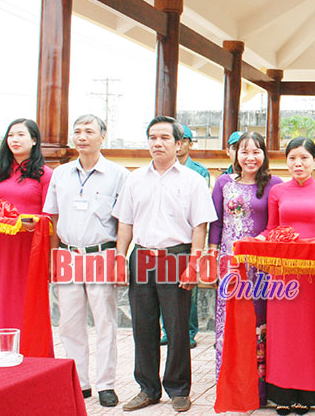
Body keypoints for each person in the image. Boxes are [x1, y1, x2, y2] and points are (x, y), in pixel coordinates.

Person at [113, 116, 217, 412]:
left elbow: (200, 226)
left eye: (164, 138)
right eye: (152, 138)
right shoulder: (135, 178)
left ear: (179, 143)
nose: (157, 143)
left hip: (177, 256)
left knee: (177, 327)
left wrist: (194, 264)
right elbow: (125, 222)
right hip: (142, 256)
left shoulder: (192, 181)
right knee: (143, 327)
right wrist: (120, 258)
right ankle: (147, 388)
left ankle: (178, 388)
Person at [43, 114, 129, 407]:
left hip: (101, 254)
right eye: (77, 131)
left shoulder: (118, 175)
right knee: (69, 323)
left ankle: (106, 384)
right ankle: (79, 382)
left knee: (105, 322)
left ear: (103, 136)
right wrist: (54, 256)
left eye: (89, 131)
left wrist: (120, 258)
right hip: (67, 255)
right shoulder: (61, 174)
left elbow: (125, 221)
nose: (82, 136)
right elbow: (53, 218)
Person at [262, 137, 315, 415]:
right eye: (292, 158)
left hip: (313, 275)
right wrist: (253, 242)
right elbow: (271, 229)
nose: (298, 163)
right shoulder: (277, 192)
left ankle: (307, 394)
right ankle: (281, 393)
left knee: (310, 332)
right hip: (282, 274)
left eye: (304, 158)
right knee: (282, 333)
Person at [209, 132, 283, 401]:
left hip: (262, 266)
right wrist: (212, 256)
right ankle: (231, 383)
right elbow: (216, 224)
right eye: (244, 152)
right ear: (235, 155)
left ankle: (260, 388)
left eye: (256, 151)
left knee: (260, 322)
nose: (250, 157)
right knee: (230, 321)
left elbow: (279, 223)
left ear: (264, 155)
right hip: (230, 266)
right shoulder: (223, 183)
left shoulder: (275, 184)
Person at [0, 118, 52, 354]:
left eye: (21, 135)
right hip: (0, 247)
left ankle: (31, 355)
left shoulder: (45, 174)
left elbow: (49, 217)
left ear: (34, 140)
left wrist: (32, 222)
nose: (14, 140)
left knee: (27, 301)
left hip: (30, 248)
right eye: (11, 135)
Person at [167, 123, 211, 349]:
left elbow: (201, 213)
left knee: (188, 290)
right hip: (166, 237)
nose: (180, 144)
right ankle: (167, 330)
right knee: (164, 289)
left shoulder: (199, 172)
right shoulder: (161, 169)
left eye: (184, 140)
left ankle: (189, 331)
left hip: (188, 238)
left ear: (189, 144)